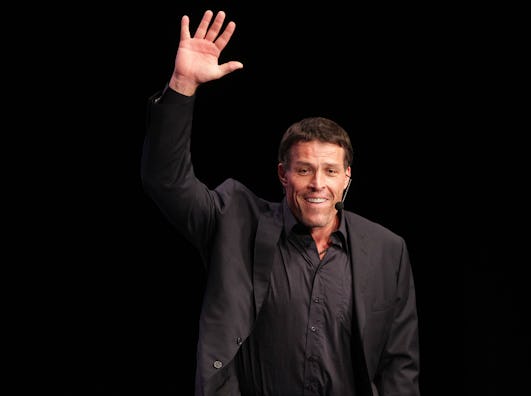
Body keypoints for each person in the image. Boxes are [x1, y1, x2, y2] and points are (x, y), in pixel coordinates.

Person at [141, 7, 420, 396]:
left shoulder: (388, 251)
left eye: (330, 171)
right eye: (304, 170)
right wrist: (182, 84)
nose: (317, 184)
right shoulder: (234, 221)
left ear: (347, 179)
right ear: (282, 175)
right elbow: (166, 181)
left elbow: (399, 367)